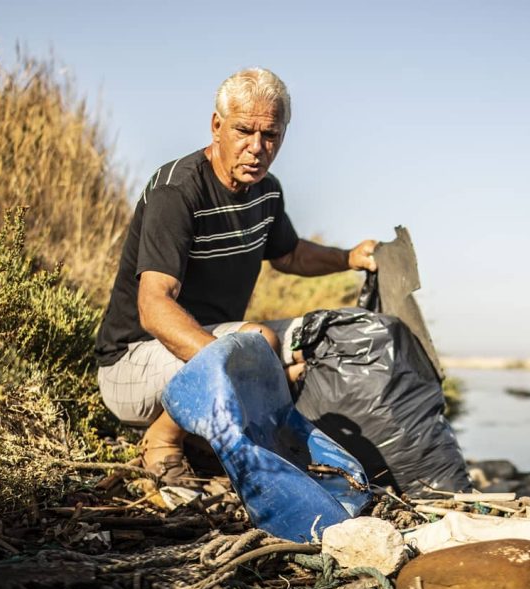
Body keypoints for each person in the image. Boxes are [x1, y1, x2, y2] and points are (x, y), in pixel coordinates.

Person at [94, 67, 378, 485]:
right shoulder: (177, 191)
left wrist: (350, 257)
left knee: (313, 340)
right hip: (132, 364)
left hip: (201, 346)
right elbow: (153, 307)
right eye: (244, 131)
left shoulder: (267, 192)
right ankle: (163, 442)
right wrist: (232, 369)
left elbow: (291, 255)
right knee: (258, 343)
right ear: (216, 125)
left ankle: (209, 435)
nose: (256, 148)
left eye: (271, 136)